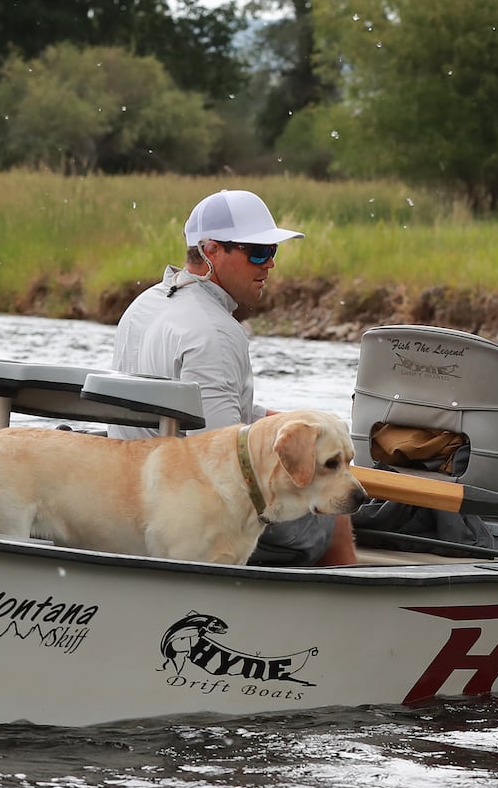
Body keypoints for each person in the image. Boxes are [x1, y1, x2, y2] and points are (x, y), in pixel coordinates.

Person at [110, 188, 357, 567]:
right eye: (256, 252)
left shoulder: (144, 305)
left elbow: (200, 407)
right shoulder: (216, 331)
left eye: (272, 252)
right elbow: (228, 464)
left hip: (133, 496)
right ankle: (346, 607)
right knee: (337, 513)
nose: (269, 265)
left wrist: (291, 426)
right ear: (210, 251)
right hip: (191, 515)